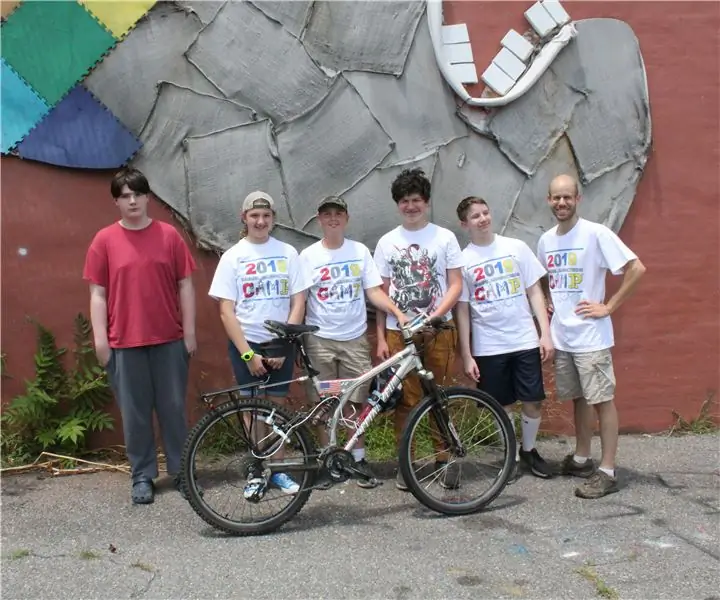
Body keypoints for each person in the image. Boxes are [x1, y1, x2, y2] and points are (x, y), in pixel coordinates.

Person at [83, 168, 197, 505]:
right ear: (116, 201)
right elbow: (97, 294)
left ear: (148, 197)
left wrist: (188, 333)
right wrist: (101, 341)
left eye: (138, 194)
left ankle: (181, 472)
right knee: (134, 415)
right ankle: (143, 476)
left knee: (174, 410)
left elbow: (185, 285)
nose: (132, 201)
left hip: (169, 339)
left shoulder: (169, 236)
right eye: (125, 195)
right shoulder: (104, 241)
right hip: (123, 343)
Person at [537, 174, 646, 499]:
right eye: (556, 198)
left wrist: (608, 306)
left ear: (578, 199)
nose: (561, 203)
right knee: (580, 398)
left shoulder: (596, 234)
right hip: (564, 336)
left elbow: (636, 268)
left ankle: (608, 470)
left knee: (602, 400)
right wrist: (546, 300)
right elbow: (545, 277)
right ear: (548, 200)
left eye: (567, 197)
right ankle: (582, 457)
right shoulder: (546, 240)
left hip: (592, 338)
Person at [299, 196, 407, 488]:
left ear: (346, 218)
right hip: (319, 340)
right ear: (319, 219)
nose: (332, 218)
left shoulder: (359, 252)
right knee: (322, 404)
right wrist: (293, 333)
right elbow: (300, 299)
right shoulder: (308, 256)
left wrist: (397, 311)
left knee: (355, 405)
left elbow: (374, 292)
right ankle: (327, 461)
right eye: (327, 214)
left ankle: (357, 459)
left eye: (338, 213)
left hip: (354, 339)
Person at [208, 191, 311, 495]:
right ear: (244, 218)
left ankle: (277, 469)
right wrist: (248, 354)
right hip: (247, 341)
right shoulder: (233, 257)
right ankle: (257, 469)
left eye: (266, 216)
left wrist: (282, 343)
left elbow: (299, 299)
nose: (261, 221)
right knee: (252, 411)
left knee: (276, 408)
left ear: (273, 219)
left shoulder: (287, 253)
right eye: (254, 216)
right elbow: (226, 311)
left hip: (280, 343)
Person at [374, 168, 464, 491]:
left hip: (438, 328)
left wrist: (434, 316)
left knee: (439, 396)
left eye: (416, 200)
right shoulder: (387, 242)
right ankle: (406, 462)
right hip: (401, 332)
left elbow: (456, 284)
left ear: (425, 202)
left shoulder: (445, 237)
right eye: (404, 201)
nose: (410, 206)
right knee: (406, 400)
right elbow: (381, 292)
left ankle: (445, 459)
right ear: (398, 204)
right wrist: (382, 336)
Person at [454, 196, 554, 479]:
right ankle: (509, 455)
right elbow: (462, 309)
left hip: (524, 340)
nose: (483, 219)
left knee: (533, 400)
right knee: (501, 405)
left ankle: (529, 451)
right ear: (465, 224)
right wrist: (466, 353)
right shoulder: (463, 261)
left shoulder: (515, 248)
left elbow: (535, 291)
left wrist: (544, 334)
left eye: (485, 212)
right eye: (475, 216)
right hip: (489, 346)